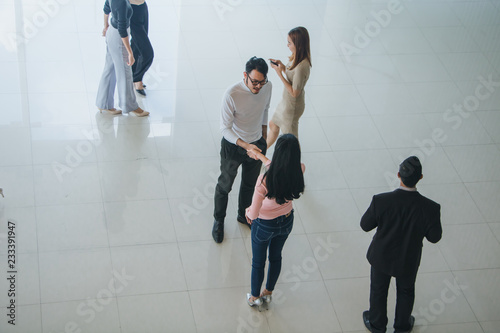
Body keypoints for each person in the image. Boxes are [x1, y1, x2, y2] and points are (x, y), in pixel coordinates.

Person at [360, 156, 442, 333]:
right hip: (408, 258)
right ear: (420, 178)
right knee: (406, 292)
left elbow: (365, 225)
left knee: (378, 290)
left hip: (381, 256)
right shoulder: (431, 208)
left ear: (398, 175)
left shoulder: (381, 201)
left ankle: (376, 324)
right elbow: (434, 238)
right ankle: (402, 326)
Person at [212, 56, 272, 244]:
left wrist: (263, 138)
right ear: (245, 76)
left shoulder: (267, 87)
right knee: (225, 185)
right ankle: (219, 220)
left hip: (256, 143)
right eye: (254, 82)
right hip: (234, 146)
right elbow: (224, 128)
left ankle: (243, 214)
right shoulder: (232, 94)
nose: (258, 87)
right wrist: (246, 146)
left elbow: (265, 109)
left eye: (262, 82)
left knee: (249, 184)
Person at [244, 134, 305, 307]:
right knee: (276, 257)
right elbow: (281, 168)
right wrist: (261, 157)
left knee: (258, 262)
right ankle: (268, 293)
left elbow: (253, 214)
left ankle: (254, 297)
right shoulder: (300, 169)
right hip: (286, 222)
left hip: (264, 225)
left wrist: (247, 211)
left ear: (277, 154)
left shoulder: (264, 180)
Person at [96, 0, 149, 117]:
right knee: (125, 73)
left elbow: (106, 8)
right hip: (118, 39)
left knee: (109, 69)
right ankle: (131, 106)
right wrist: (130, 52)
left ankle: (103, 103)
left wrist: (106, 26)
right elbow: (122, 30)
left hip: (111, 34)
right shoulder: (122, 3)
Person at [267, 26, 311, 148]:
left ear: (299, 45)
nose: (287, 45)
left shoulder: (302, 66)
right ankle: (260, 154)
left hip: (291, 107)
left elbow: (294, 92)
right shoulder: (295, 57)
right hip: (285, 103)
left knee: (291, 142)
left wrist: (279, 74)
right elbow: (293, 78)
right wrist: (283, 68)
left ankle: (293, 165)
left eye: (289, 43)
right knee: (273, 125)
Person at [129, 0, 154, 96]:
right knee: (147, 53)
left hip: (142, 7)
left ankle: (132, 76)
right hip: (132, 10)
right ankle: (137, 79)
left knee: (136, 46)